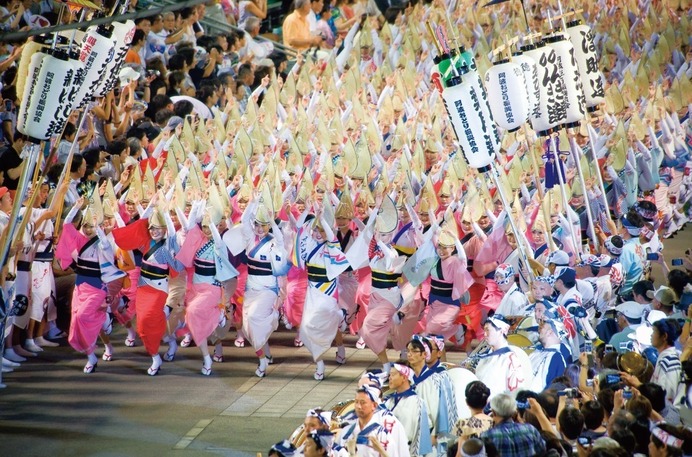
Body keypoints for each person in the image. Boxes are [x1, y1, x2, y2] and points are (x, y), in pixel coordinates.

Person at [337, 386, 411, 457]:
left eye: (363, 403)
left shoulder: (382, 435)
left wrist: (381, 450)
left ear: (374, 406)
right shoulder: (346, 432)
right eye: (356, 402)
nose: (359, 406)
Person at [473, 315, 532, 397]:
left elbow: (516, 392)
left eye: (488, 330)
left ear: (501, 331)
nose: (485, 334)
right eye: (484, 330)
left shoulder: (511, 359)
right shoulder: (485, 355)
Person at [384, 363, 433, 457]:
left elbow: (422, 436)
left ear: (404, 377)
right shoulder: (388, 400)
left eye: (393, 375)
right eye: (390, 374)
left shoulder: (417, 403)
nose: (390, 378)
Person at [480, 393, 546, 457]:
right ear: (514, 412)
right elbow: (542, 451)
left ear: (493, 412)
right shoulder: (530, 429)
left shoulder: (487, 436)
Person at [527, 317, 570, 392]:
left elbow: (552, 390)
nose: (539, 330)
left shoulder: (556, 358)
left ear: (550, 332)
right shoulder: (537, 351)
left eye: (542, 327)